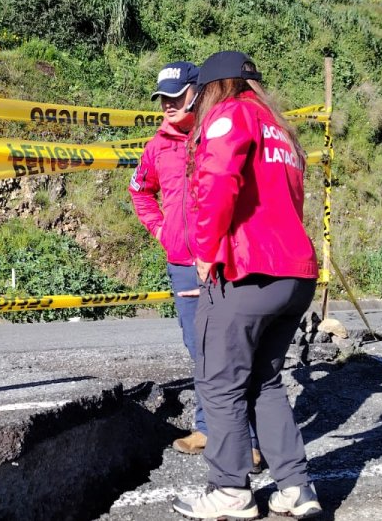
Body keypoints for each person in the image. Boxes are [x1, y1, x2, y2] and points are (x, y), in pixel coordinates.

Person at [172, 51, 322, 520]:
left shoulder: (229, 116)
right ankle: (296, 487)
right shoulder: (281, 129)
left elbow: (217, 181)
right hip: (294, 273)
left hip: (247, 271)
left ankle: (230, 490)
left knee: (219, 381)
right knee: (265, 379)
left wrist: (205, 249)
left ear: (214, 87)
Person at [129, 62, 261, 467]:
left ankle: (248, 439)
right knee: (199, 350)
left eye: (175, 96)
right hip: (184, 263)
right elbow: (140, 192)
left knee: (234, 351)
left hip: (226, 261)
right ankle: (207, 427)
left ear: (196, 93)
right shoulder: (156, 146)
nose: (167, 105)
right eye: (162, 98)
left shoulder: (219, 133)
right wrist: (162, 231)